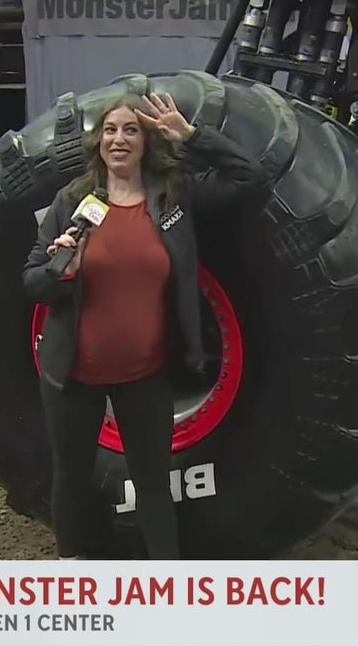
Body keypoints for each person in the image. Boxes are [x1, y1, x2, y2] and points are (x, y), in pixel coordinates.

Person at [22, 92, 266, 560]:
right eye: (110, 130)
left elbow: (249, 180)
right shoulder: (72, 201)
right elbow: (32, 282)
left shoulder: (173, 196)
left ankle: (164, 580)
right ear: (98, 141)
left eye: (131, 130)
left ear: (146, 141)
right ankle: (73, 568)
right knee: (71, 478)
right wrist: (58, 269)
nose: (119, 139)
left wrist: (192, 137)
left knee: (153, 484)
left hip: (145, 377)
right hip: (73, 377)